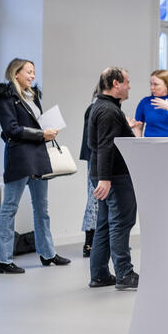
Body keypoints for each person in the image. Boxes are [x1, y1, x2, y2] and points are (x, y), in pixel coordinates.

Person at [0, 58, 70, 273]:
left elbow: (35, 124)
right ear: (15, 73)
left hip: (38, 155)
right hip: (20, 158)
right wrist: (41, 134)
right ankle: (1, 259)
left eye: (33, 71)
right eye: (28, 71)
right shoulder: (5, 97)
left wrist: (48, 131)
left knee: (42, 208)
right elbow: (11, 129)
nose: (32, 75)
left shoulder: (32, 96)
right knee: (9, 208)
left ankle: (48, 254)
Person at [88, 67, 141, 290]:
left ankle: (99, 274)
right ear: (116, 83)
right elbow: (105, 146)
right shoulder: (109, 110)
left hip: (105, 176)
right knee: (120, 224)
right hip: (115, 177)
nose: (129, 86)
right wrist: (106, 178)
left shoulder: (100, 107)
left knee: (104, 225)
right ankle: (124, 274)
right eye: (127, 82)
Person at [133, 69, 168, 137]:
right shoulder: (145, 102)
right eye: (151, 84)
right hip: (150, 144)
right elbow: (138, 127)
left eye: (156, 84)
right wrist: (138, 145)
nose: (152, 87)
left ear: (166, 85)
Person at [80, 87, 100, 258]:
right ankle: (89, 242)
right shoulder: (95, 108)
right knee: (94, 199)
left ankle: (94, 241)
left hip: (95, 157)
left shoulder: (94, 107)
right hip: (95, 158)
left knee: (96, 199)